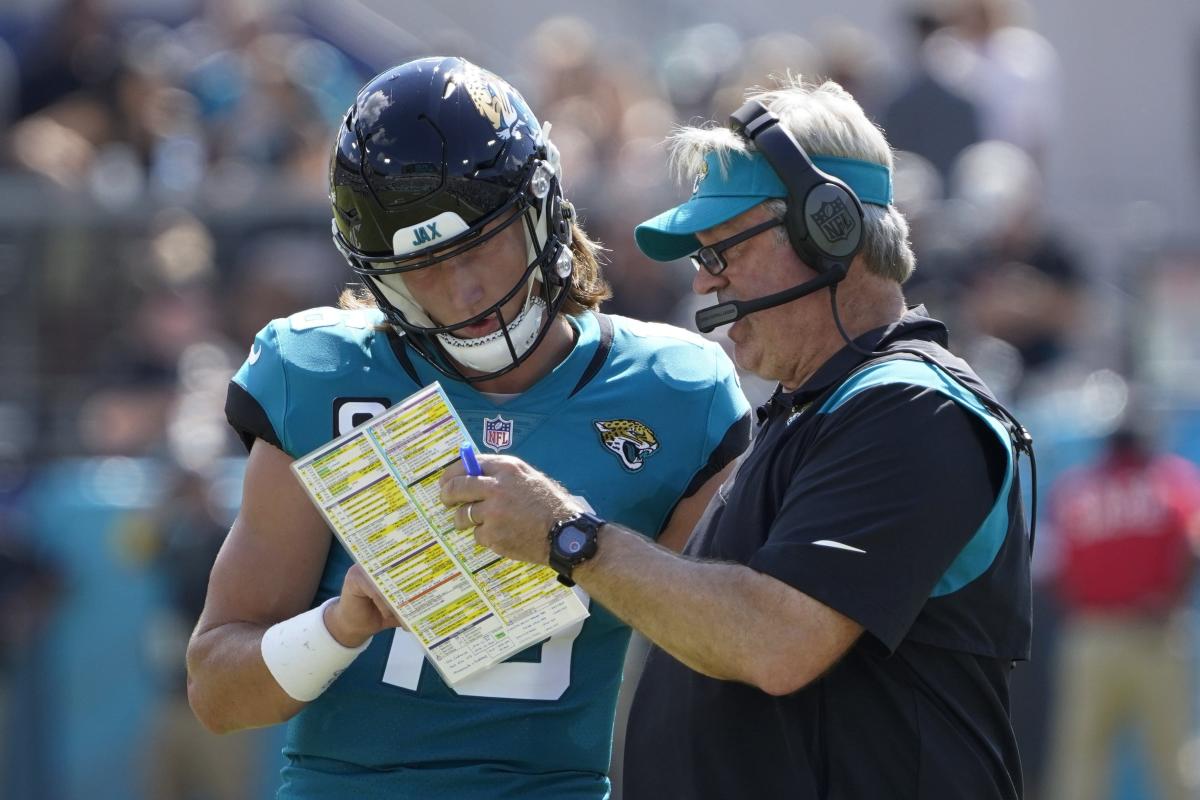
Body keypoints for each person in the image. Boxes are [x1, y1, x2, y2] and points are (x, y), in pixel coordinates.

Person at [439, 76, 1033, 799]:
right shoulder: (816, 410)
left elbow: (776, 642)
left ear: (829, 231)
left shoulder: (911, 409)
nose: (704, 281)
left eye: (722, 250)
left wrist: (569, 536)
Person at [184, 56, 749, 798]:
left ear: (542, 209)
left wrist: (577, 541)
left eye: (481, 244)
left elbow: (730, 644)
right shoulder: (320, 374)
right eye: (424, 266)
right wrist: (339, 626)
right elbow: (219, 692)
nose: (465, 290)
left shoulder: (674, 392)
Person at [1044, 418, 1200, 800]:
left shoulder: (1075, 489)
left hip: (1090, 634)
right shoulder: (1171, 480)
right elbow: (1192, 547)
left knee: (1081, 758)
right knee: (1173, 756)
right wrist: (1171, 598)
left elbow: (1049, 569)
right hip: (1155, 634)